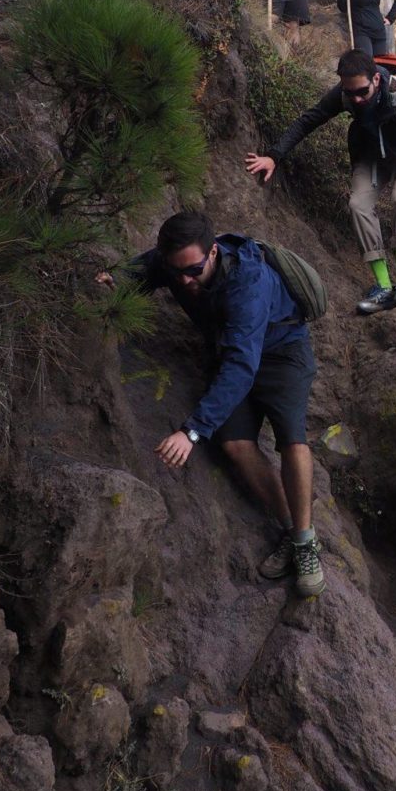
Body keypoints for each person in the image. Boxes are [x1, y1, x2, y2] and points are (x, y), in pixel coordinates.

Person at [97, 209, 325, 598]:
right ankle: (291, 526)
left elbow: (242, 365)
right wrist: (112, 281)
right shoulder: (175, 264)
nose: (184, 280)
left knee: (291, 438)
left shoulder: (248, 283)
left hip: (282, 352)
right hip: (232, 350)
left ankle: (305, 545)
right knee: (235, 444)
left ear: (214, 253)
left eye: (193, 270)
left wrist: (192, 430)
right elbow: (147, 270)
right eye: (177, 271)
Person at [245, 49, 396, 315]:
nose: (357, 99)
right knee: (358, 205)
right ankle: (383, 286)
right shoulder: (345, 93)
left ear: (375, 79)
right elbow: (310, 120)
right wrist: (273, 156)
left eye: (362, 91)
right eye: (351, 93)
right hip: (370, 156)